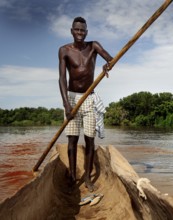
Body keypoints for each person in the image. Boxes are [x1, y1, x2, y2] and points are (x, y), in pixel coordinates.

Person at [58, 16, 113, 191]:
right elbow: (61, 79)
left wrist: (107, 65)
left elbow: (111, 58)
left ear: (86, 32)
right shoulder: (64, 50)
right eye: (77, 30)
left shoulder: (93, 46)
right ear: (71, 31)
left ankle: (88, 178)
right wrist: (67, 105)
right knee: (72, 140)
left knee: (90, 139)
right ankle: (73, 177)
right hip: (72, 98)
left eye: (82, 30)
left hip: (89, 98)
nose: (80, 33)